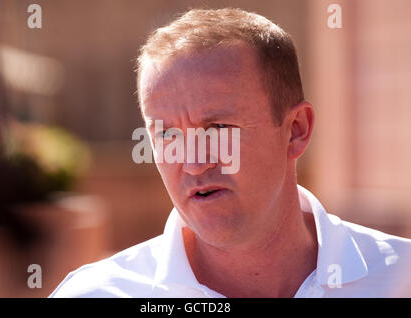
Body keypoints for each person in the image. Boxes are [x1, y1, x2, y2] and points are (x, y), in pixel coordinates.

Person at [50, 8, 411, 298]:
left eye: (218, 129)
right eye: (167, 135)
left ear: (295, 131)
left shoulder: (401, 279)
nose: (193, 162)